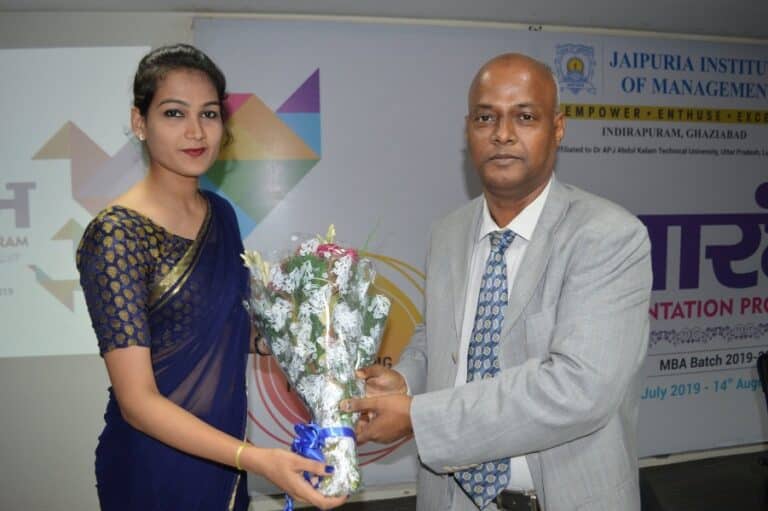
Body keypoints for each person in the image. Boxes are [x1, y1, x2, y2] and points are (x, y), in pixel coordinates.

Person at [342, 53, 652, 511]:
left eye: (525, 117)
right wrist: (404, 383)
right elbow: (441, 337)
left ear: (558, 128)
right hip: (453, 499)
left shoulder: (608, 236)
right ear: (468, 130)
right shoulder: (448, 232)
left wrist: (418, 417)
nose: (502, 134)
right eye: (486, 117)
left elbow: (578, 389)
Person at [76, 44, 346, 511]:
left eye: (209, 114)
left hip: (224, 459)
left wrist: (304, 334)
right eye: (174, 113)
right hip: (153, 469)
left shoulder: (220, 213)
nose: (196, 131)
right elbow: (137, 402)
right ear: (140, 122)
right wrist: (254, 458)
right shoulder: (117, 234)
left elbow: (225, 325)